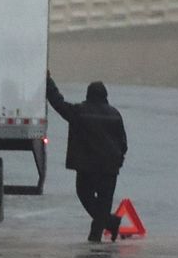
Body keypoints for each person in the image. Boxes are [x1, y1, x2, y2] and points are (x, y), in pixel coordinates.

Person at [45, 71, 129, 242]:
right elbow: (123, 143)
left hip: (87, 167)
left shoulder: (80, 112)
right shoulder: (115, 114)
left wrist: (47, 82)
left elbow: (58, 103)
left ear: (88, 95)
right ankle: (97, 236)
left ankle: (108, 225)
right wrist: (119, 161)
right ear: (105, 96)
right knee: (104, 203)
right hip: (110, 168)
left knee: (85, 196)